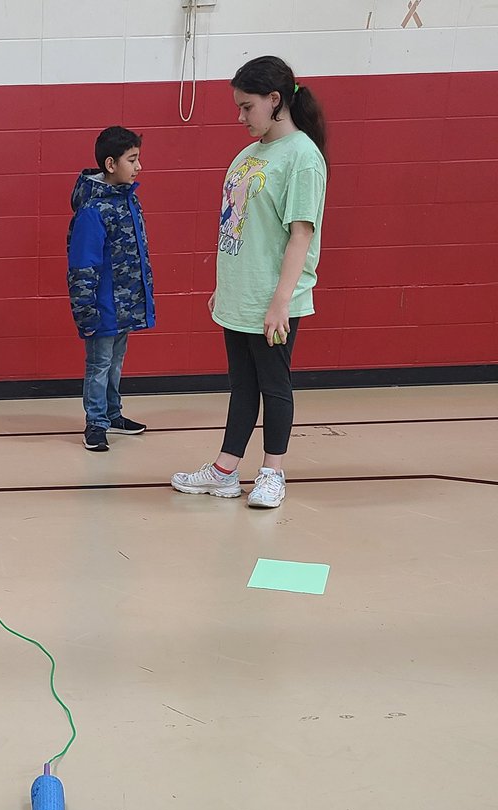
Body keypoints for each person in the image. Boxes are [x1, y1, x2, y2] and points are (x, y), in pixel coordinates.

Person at [171, 56, 328, 509]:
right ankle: (224, 470)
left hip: (272, 299)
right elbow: (238, 228)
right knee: (242, 385)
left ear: (275, 101)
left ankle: (272, 473)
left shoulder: (302, 158)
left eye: (247, 107)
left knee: (274, 386)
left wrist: (281, 302)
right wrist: (226, 283)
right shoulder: (248, 155)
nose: (240, 117)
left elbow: (301, 235)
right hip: (240, 294)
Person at [66, 125, 155, 452]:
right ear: (110, 164)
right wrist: (86, 311)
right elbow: (83, 266)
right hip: (103, 307)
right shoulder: (93, 210)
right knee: (99, 364)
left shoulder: (127, 200)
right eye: (132, 160)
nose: (138, 166)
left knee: (115, 362)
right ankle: (96, 423)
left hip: (123, 305)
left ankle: (113, 414)